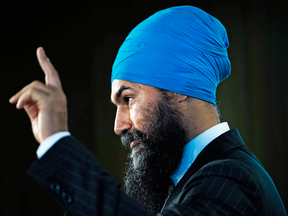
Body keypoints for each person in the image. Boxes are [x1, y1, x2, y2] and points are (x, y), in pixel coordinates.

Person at [9, 5, 287, 216]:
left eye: (128, 99)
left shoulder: (230, 179)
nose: (118, 126)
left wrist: (56, 141)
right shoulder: (187, 181)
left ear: (178, 88)